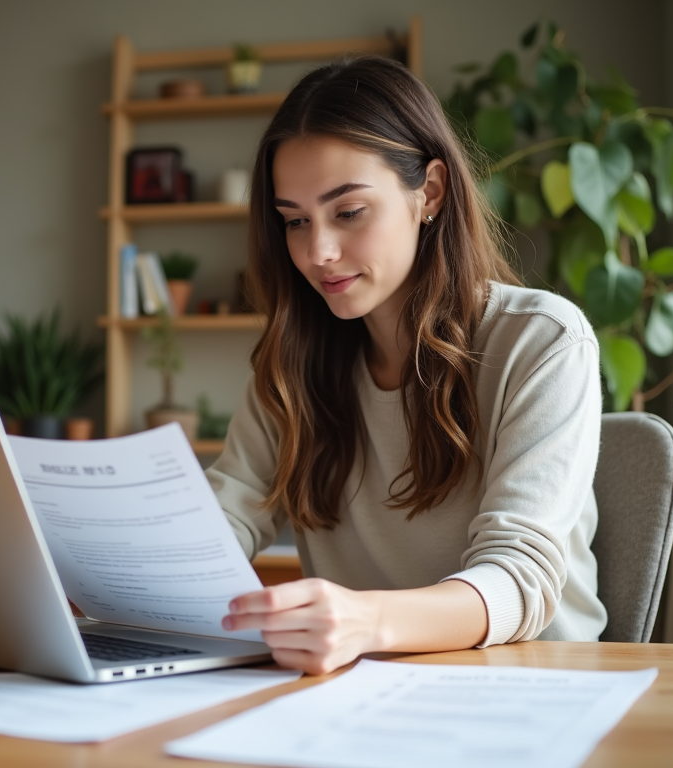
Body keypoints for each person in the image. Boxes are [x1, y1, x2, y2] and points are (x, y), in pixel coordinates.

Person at [209, 56, 607, 675]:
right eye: (294, 221)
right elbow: (226, 516)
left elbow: (519, 578)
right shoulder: (294, 361)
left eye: (348, 212)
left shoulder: (542, 343)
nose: (318, 252)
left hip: (529, 691)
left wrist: (366, 622)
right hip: (354, 693)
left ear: (430, 192)